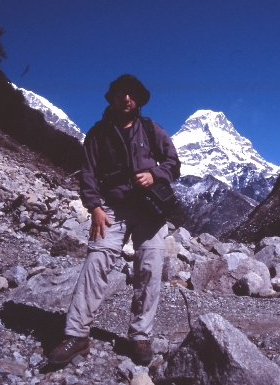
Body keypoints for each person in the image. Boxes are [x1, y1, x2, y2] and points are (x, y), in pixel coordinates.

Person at [48, 74, 181, 366]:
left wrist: (154, 174)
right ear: (113, 98)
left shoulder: (151, 129)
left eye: (132, 94)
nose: (127, 99)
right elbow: (87, 174)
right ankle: (76, 335)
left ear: (137, 100)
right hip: (112, 207)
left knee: (150, 266)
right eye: (122, 93)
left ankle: (140, 336)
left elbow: (174, 164)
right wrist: (94, 207)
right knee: (96, 263)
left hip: (150, 210)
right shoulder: (97, 134)